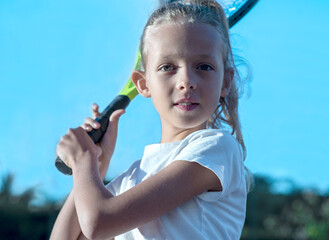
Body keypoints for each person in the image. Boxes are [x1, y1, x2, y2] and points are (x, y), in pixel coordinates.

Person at [51, 0, 250, 239]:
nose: (186, 81)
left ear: (226, 82)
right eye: (168, 67)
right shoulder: (133, 179)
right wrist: (96, 162)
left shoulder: (216, 149)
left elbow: (99, 222)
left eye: (204, 66)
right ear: (143, 84)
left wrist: (83, 160)